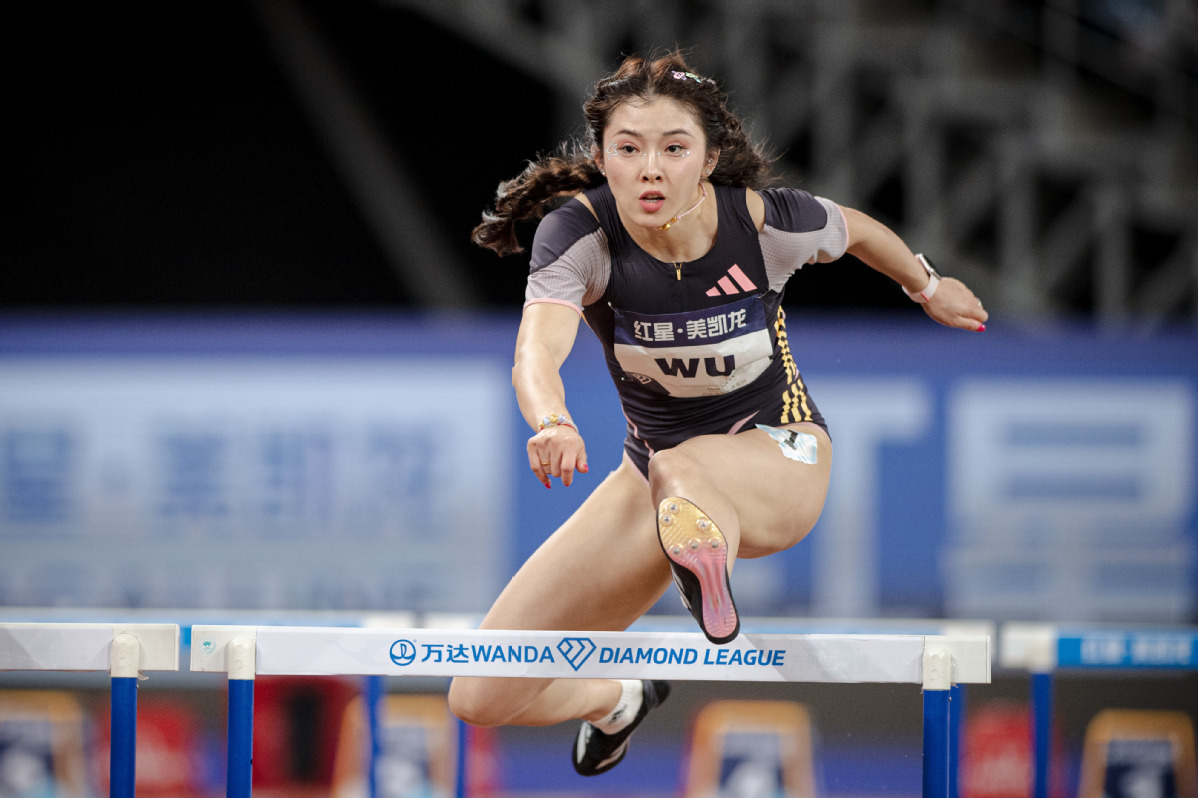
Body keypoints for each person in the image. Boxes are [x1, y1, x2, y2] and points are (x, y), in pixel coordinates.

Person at [448, 49, 988, 778]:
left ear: (707, 160)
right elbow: (535, 354)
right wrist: (552, 421)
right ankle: (618, 697)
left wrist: (927, 285)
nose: (650, 170)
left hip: (782, 453)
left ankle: (701, 548)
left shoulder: (766, 225)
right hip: (649, 480)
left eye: (674, 149)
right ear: (602, 158)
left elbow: (858, 230)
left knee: (683, 467)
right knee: (479, 694)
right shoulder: (581, 237)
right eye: (629, 149)